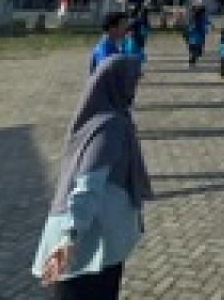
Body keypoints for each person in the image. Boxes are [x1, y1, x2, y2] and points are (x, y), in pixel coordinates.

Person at [32, 56, 151, 299]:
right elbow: (88, 185)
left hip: (96, 241)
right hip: (90, 245)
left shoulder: (96, 117)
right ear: (118, 82)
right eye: (134, 78)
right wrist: (69, 238)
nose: (138, 82)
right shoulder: (110, 125)